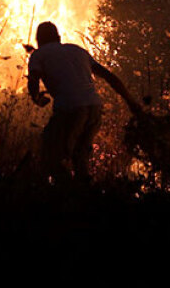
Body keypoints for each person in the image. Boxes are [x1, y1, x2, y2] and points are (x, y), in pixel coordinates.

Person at [27, 21, 143, 181]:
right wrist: (131, 102)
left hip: (70, 109)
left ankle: (65, 190)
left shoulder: (38, 54)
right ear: (59, 38)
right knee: (80, 160)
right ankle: (84, 190)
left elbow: (33, 79)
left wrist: (36, 98)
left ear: (38, 41)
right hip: (94, 108)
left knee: (50, 157)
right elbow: (109, 77)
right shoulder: (77, 50)